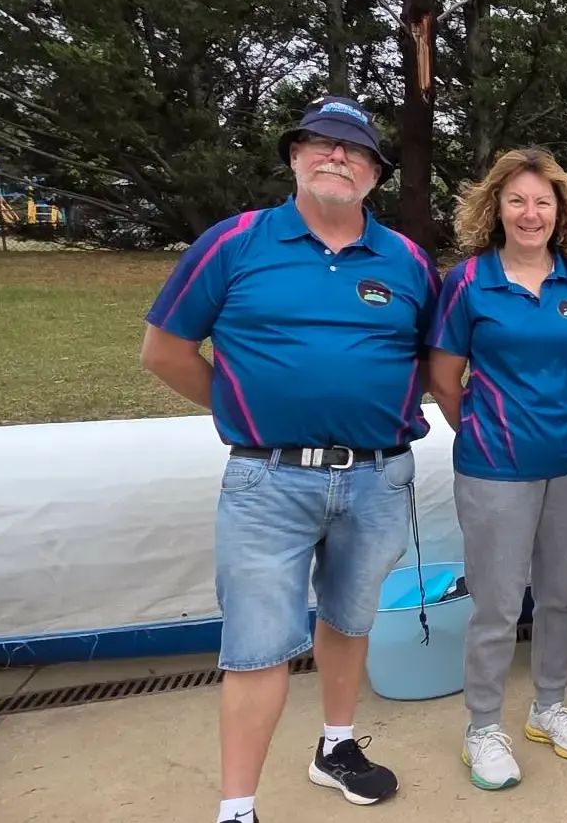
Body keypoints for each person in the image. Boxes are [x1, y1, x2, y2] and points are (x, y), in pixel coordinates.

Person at [141, 96, 434, 823]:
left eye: (356, 149)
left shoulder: (407, 261)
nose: (338, 156)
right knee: (258, 645)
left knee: (351, 616)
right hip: (267, 477)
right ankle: (237, 807)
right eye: (321, 143)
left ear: (375, 172)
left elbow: (434, 357)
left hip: (377, 474)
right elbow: (165, 350)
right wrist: (241, 406)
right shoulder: (234, 242)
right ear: (294, 156)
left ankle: (336, 745)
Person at [425, 147, 567, 789]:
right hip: (494, 468)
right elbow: (444, 378)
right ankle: (483, 727)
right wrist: (485, 430)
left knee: (560, 595)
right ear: (495, 208)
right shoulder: (468, 282)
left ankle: (548, 706)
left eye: (543, 201)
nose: (531, 213)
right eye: (517, 201)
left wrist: (550, 420)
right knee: (498, 606)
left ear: (560, 210)